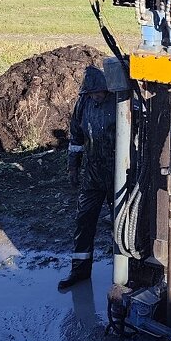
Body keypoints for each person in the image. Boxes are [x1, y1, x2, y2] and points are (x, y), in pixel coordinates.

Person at [59, 65, 118, 291]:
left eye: (98, 92)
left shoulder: (120, 102)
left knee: (121, 224)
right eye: (91, 93)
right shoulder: (83, 104)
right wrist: (72, 167)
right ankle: (80, 271)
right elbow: (76, 138)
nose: (95, 96)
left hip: (118, 175)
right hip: (92, 176)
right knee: (84, 221)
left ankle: (126, 274)